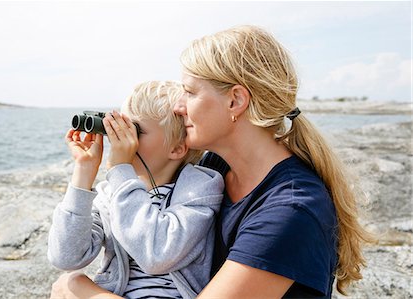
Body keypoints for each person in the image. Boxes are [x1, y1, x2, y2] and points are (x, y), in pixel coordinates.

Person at [50, 25, 373, 299]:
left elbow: (155, 254)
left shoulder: (290, 210)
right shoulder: (216, 166)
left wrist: (82, 290)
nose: (178, 107)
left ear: (235, 100)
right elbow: (70, 251)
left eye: (189, 92)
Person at [48, 81, 224, 299]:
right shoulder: (112, 193)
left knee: (72, 284)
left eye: (135, 131)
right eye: (120, 128)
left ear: (177, 148)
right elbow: (66, 257)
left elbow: (156, 255)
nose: (121, 139)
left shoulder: (199, 188)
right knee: (72, 281)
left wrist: (120, 170)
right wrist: (84, 170)